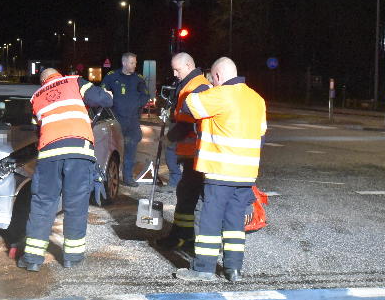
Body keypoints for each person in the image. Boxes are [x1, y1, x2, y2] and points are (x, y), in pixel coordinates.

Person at [175, 57, 266, 282]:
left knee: (210, 219)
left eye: (212, 79)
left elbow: (188, 105)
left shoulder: (219, 94)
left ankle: (203, 268)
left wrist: (200, 87)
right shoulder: (257, 99)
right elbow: (261, 134)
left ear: (216, 77)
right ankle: (233, 270)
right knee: (235, 222)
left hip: (220, 171)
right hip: (245, 174)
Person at [17, 68, 113, 271]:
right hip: (78, 153)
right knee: (75, 205)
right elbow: (102, 99)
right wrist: (109, 95)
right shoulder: (74, 81)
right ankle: (72, 257)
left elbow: (38, 129)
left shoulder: (36, 97)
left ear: (42, 81)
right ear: (59, 75)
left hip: (49, 156)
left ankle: (32, 259)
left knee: (42, 206)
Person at [157, 53, 211, 250]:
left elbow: (187, 123)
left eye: (177, 69)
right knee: (186, 194)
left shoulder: (196, 87)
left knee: (188, 195)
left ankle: (183, 238)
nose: (174, 73)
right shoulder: (190, 84)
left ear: (188, 65)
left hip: (197, 153)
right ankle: (184, 236)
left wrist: (168, 138)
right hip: (192, 154)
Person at [101, 53, 150, 186]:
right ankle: (109, 177)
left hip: (132, 121)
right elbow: (103, 93)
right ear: (124, 63)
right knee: (112, 149)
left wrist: (136, 105)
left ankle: (127, 178)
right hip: (116, 120)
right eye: (132, 63)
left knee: (131, 149)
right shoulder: (112, 76)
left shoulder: (138, 79)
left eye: (135, 63)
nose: (135, 65)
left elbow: (145, 95)